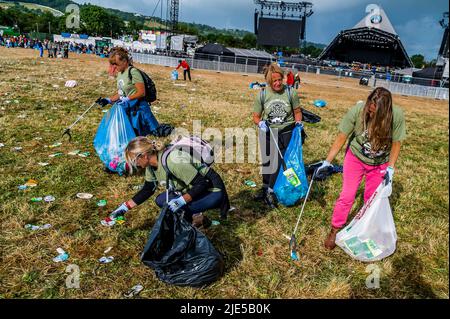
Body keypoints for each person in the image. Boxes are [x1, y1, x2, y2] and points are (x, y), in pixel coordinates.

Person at [316, 87, 406, 250]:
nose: (371, 115)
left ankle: (364, 230)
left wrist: (390, 169)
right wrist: (327, 162)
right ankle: (335, 229)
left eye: (375, 113)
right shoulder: (358, 111)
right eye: (370, 110)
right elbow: (341, 137)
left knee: (371, 199)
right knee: (347, 195)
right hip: (355, 158)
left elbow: (396, 143)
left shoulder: (396, 116)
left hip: (379, 163)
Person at [107, 136, 230, 229]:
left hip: (212, 190)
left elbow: (202, 183)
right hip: (194, 189)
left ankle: (195, 221)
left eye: (134, 160)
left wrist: (181, 200)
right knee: (162, 200)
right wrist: (124, 207)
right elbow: (148, 189)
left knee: (173, 207)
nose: (134, 164)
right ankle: (195, 219)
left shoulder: (173, 161)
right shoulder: (151, 165)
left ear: (144, 155)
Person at [252, 63, 303, 209]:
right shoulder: (262, 95)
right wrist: (260, 123)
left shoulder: (290, 92)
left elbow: (297, 111)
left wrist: (299, 123)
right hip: (268, 132)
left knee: (279, 162)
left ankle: (272, 191)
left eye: (280, 79)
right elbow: (255, 116)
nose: (278, 83)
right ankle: (264, 188)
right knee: (268, 162)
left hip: (286, 131)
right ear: (269, 82)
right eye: (274, 81)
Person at [96, 47, 159, 137]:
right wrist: (108, 100)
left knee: (144, 136)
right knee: (132, 136)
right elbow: (121, 93)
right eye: (113, 64)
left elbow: (141, 92)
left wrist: (127, 98)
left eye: (116, 64)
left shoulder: (133, 72)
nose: (114, 66)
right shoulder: (120, 74)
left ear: (125, 61)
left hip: (140, 110)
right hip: (130, 109)